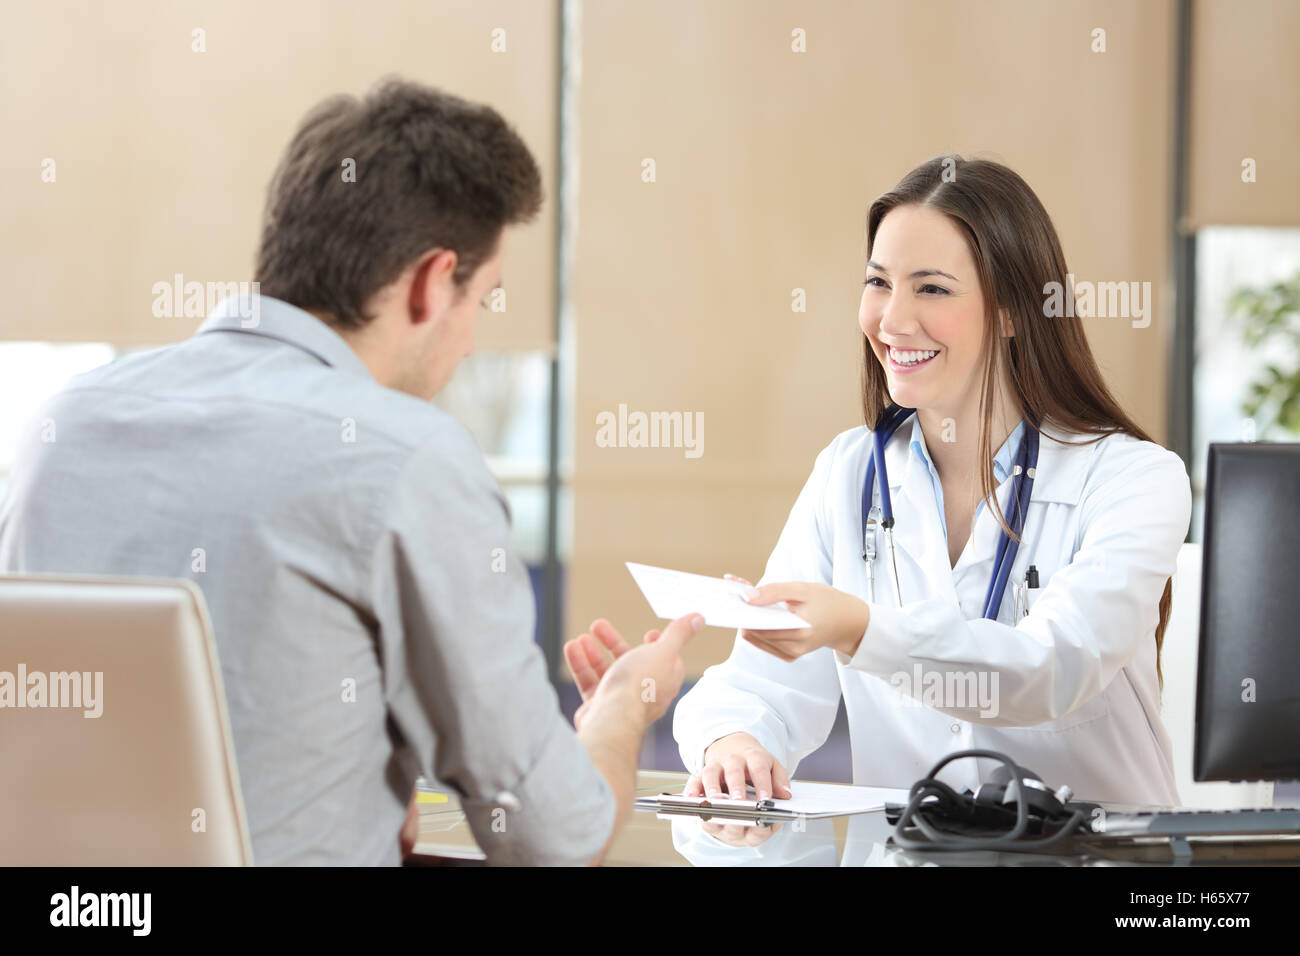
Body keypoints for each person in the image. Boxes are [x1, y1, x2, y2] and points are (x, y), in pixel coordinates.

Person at [0, 78, 699, 866]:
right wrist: (621, 709)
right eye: (484, 300)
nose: (471, 344)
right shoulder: (405, 459)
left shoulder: (63, 428)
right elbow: (556, 840)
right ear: (435, 282)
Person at [673, 155, 1191, 810]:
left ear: (1012, 313)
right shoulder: (850, 472)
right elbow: (765, 686)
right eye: (878, 283)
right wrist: (736, 741)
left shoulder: (1134, 479)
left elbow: (1053, 670)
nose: (891, 320)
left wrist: (861, 631)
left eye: (932, 289)